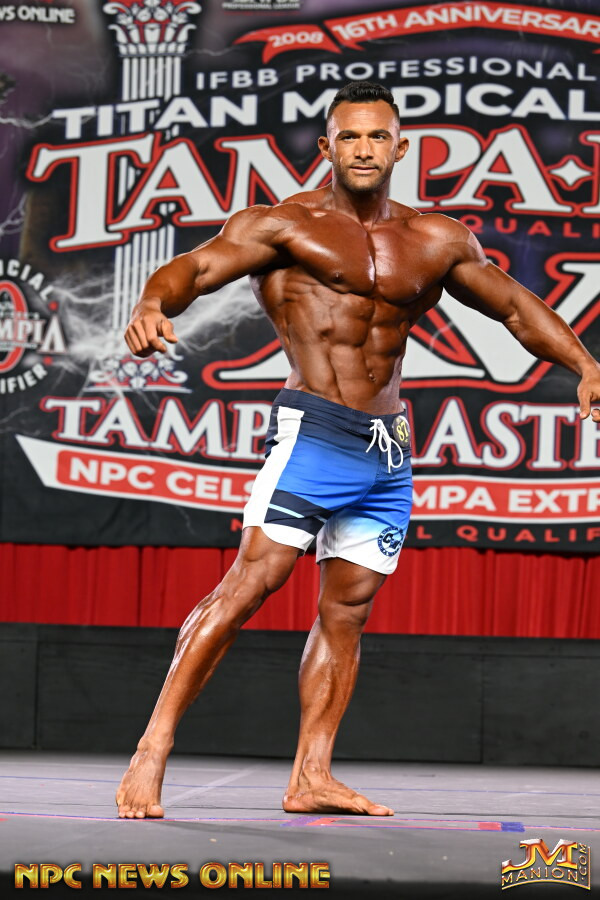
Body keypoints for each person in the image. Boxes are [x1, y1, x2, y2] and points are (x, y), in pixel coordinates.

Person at [117, 81, 600, 819]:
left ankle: (311, 775)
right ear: (328, 146)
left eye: (378, 136)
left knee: (348, 610)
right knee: (252, 583)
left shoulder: (435, 239)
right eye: (350, 137)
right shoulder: (283, 225)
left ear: (401, 147)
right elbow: (197, 267)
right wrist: (154, 301)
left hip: (388, 448)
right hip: (314, 431)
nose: (364, 149)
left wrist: (585, 364)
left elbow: (512, 306)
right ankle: (151, 750)